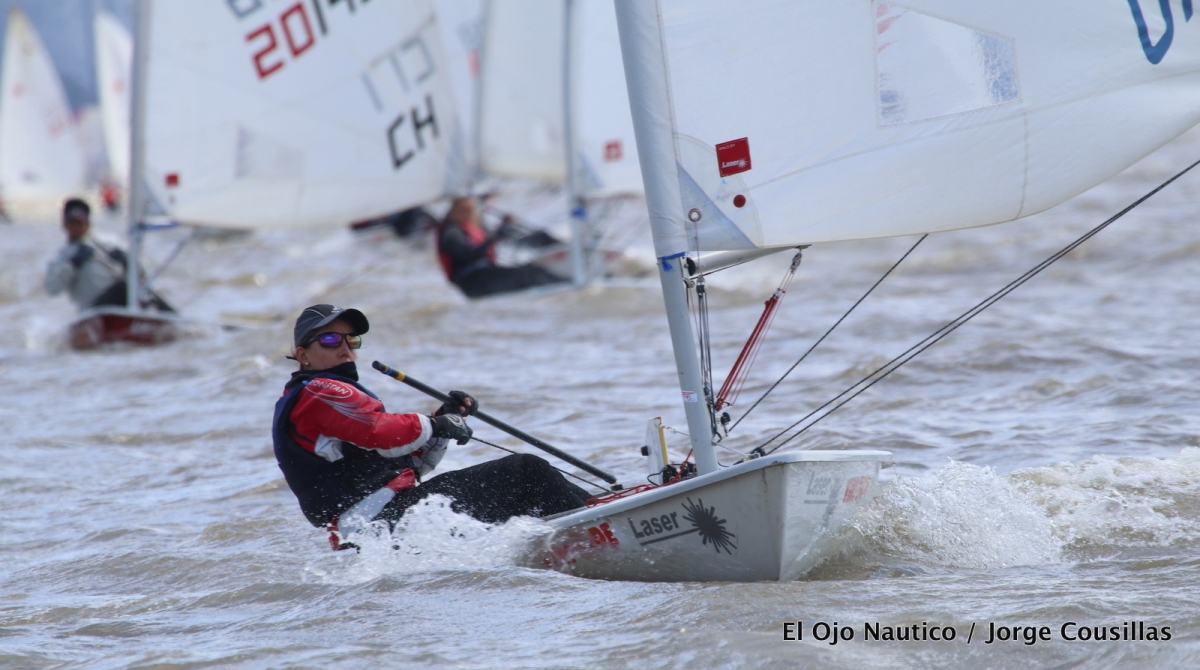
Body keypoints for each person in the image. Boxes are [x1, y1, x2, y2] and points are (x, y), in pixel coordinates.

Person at [272, 304, 591, 548]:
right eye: (329, 339)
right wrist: (436, 424)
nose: (345, 349)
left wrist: (443, 419)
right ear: (303, 355)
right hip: (377, 524)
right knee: (526, 471)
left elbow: (409, 464)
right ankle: (599, 533)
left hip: (379, 527)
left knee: (530, 492)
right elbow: (379, 431)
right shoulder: (320, 392)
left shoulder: (323, 401)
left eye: (351, 339)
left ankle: (595, 518)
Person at [44, 198, 174, 312]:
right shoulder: (62, 257)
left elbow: (141, 274)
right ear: (64, 225)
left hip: (120, 304)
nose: (75, 227)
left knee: (144, 292)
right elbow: (52, 289)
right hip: (92, 310)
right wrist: (73, 265)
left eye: (79, 223)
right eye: (72, 223)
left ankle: (175, 321)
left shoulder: (109, 243)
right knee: (123, 288)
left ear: (88, 223)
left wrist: (126, 262)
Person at [436, 196, 568, 298]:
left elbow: (490, 240)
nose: (468, 213)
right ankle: (565, 286)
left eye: (470, 210)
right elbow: (467, 255)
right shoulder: (452, 232)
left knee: (533, 264)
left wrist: (504, 225)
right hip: (473, 283)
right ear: (453, 212)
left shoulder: (473, 226)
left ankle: (564, 274)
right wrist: (493, 239)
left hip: (485, 274)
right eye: (463, 210)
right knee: (528, 274)